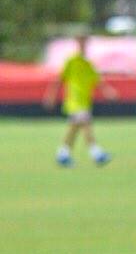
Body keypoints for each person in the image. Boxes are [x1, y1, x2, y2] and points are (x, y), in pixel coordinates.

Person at [42, 35, 117, 167]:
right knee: (85, 123)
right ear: (77, 43)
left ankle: (62, 154)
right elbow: (59, 79)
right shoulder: (71, 60)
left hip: (85, 100)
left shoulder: (88, 63)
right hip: (74, 100)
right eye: (81, 42)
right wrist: (51, 95)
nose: (84, 45)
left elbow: (97, 80)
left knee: (74, 128)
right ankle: (96, 153)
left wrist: (108, 91)